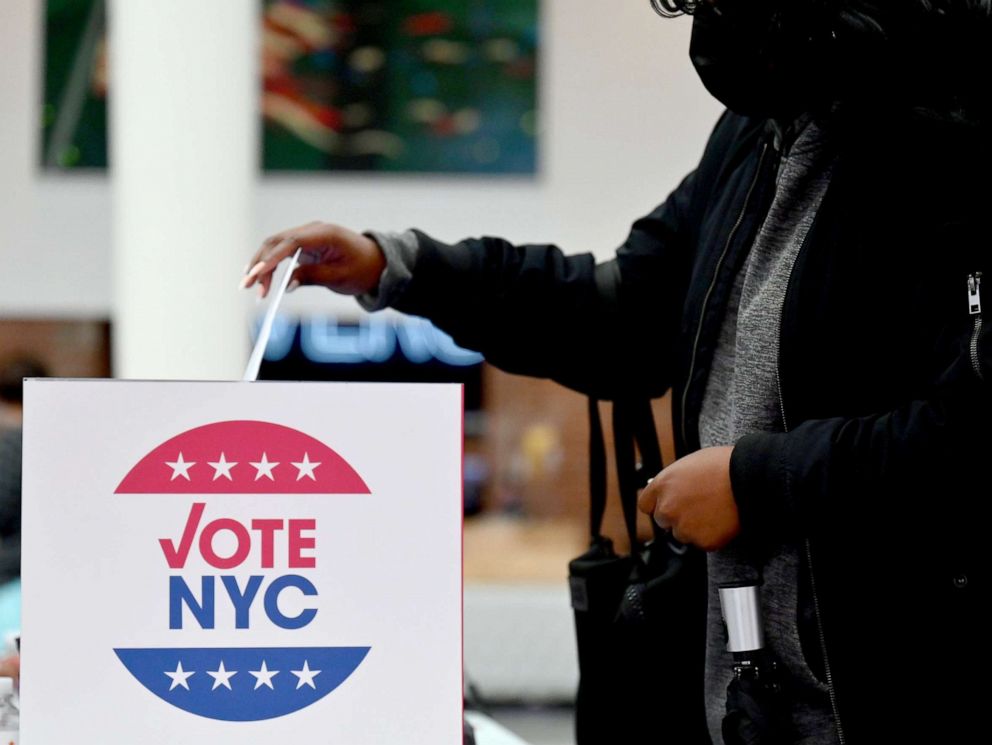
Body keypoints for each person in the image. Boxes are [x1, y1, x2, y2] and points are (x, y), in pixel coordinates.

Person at [242, 1, 988, 741]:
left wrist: (754, 484)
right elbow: (622, 311)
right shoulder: (756, 134)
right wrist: (398, 265)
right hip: (744, 700)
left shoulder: (953, 145)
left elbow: (968, 432)